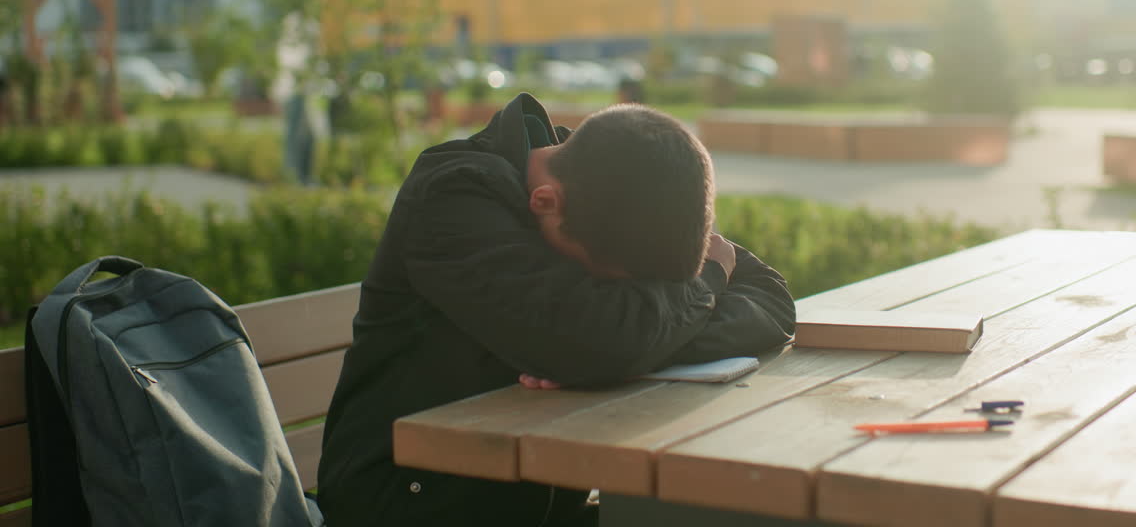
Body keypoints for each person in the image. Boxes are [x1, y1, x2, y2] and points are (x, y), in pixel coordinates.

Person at [318, 92, 795, 527]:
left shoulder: (622, 177)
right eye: (616, 292)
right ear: (543, 202)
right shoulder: (452, 197)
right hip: (412, 503)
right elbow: (603, 341)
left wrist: (625, 352)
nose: (638, 304)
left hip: (536, 505)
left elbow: (772, 301)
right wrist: (703, 286)